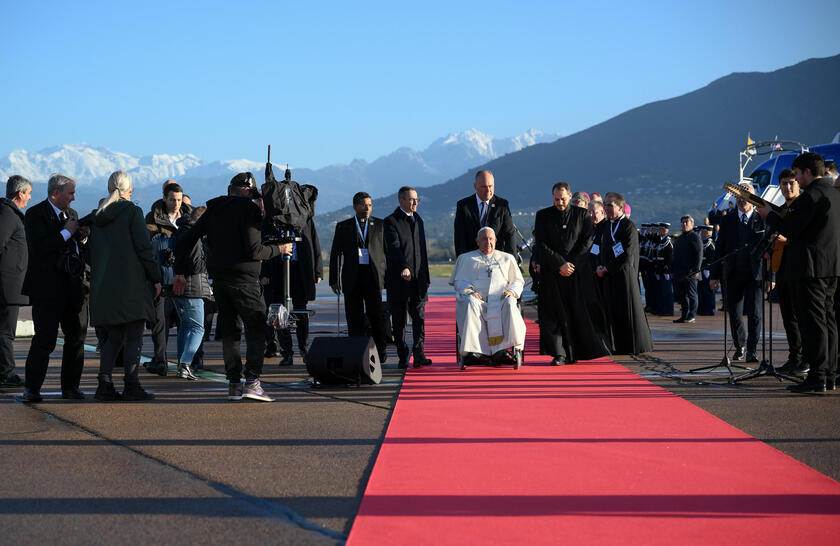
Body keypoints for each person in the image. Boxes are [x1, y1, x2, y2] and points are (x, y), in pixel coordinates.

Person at [175, 172, 292, 401]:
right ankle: (253, 382)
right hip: (246, 282)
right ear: (248, 192)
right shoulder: (249, 211)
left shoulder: (213, 210)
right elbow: (255, 251)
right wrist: (280, 249)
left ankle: (234, 384)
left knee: (231, 334)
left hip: (220, 282)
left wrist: (180, 271)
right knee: (257, 331)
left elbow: (186, 241)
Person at [758, 152, 840, 393]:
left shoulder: (811, 197)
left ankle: (816, 376)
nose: (795, 179)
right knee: (829, 321)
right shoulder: (835, 194)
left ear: (806, 172)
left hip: (811, 268)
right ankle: (830, 374)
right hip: (832, 267)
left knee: (814, 324)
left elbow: (792, 229)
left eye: (796, 174)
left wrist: (769, 215)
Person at [89, 171, 161, 401]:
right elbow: (144, 248)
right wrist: (155, 276)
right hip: (131, 284)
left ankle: (105, 384)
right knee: (134, 336)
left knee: (114, 337)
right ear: (129, 189)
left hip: (105, 285)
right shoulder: (132, 212)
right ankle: (131, 384)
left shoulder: (97, 215)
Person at [19, 175, 89, 402]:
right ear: (55, 193)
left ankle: (71, 387)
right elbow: (39, 249)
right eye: (70, 193)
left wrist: (82, 239)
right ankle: (32, 388)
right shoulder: (35, 214)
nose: (73, 198)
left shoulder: (73, 215)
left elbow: (76, 250)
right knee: (45, 339)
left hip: (73, 288)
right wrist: (66, 232)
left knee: (76, 338)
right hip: (47, 289)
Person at [534, 182, 610, 365]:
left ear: (569, 196)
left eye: (563, 199)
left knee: (576, 313)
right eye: (556, 199)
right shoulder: (543, 216)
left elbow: (586, 242)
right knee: (555, 314)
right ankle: (559, 353)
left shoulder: (582, 215)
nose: (560, 203)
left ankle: (576, 352)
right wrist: (560, 264)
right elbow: (541, 244)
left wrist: (571, 264)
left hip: (576, 273)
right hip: (553, 272)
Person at [450, 227, 525, 365]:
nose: (488, 242)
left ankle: (502, 351)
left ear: (495, 240)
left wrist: (512, 292)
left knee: (510, 303)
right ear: (477, 241)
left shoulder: (507, 258)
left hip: (501, 299)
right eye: (484, 239)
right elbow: (458, 281)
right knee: (470, 302)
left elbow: (517, 281)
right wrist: (470, 291)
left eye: (491, 239)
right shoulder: (466, 258)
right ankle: (475, 352)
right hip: (479, 300)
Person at [710, 182, 766, 363]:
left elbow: (771, 250)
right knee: (734, 312)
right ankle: (740, 345)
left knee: (755, 313)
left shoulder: (762, 220)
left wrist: (771, 277)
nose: (743, 199)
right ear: (735, 197)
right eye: (740, 195)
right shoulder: (727, 220)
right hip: (733, 272)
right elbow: (720, 248)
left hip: (755, 273)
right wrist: (715, 275)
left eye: (747, 195)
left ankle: (752, 349)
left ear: (754, 198)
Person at [329, 192, 387, 362]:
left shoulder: (380, 225)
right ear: (355, 206)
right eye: (363, 205)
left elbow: (387, 253)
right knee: (354, 317)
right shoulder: (343, 226)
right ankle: (356, 351)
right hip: (352, 277)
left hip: (373, 277)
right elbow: (335, 254)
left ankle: (380, 351)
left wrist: (388, 278)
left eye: (370, 205)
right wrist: (334, 279)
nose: (367, 208)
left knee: (376, 315)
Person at [595, 192, 653, 355]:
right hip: (608, 276)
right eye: (605, 204)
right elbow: (600, 249)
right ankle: (616, 344)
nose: (605, 208)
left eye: (609, 205)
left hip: (624, 275)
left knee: (627, 310)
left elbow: (627, 254)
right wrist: (600, 265)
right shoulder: (607, 226)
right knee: (612, 311)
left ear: (620, 207)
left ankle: (632, 345)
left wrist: (608, 268)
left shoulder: (628, 227)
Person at [145, 181, 191, 375]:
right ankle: (160, 360)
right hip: (162, 277)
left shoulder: (189, 217)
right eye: (172, 199)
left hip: (184, 276)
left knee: (186, 321)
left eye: (179, 199)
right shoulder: (153, 217)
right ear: (165, 198)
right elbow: (149, 241)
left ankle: (187, 361)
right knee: (159, 323)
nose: (176, 203)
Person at [261, 215, 322, 365]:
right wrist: (264, 272)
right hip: (278, 270)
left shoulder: (305, 220)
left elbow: (314, 243)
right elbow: (263, 245)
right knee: (279, 311)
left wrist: (318, 271)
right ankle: (286, 352)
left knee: (301, 310)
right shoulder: (270, 220)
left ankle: (304, 349)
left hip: (299, 270)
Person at [385, 186, 432, 368]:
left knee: (419, 318)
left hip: (418, 280)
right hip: (399, 280)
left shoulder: (418, 220)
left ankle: (419, 354)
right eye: (412, 199)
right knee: (399, 320)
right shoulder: (391, 221)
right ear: (401, 200)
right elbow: (394, 248)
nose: (415, 202)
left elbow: (423, 251)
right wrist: (404, 267)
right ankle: (402, 355)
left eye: (417, 199)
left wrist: (426, 276)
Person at [767, 170, 806, 376]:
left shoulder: (803, 208)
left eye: (791, 183)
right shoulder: (781, 209)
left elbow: (806, 238)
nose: (788, 188)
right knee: (788, 317)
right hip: (781, 268)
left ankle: (806, 360)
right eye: (784, 184)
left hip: (801, 270)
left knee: (802, 317)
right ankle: (795, 357)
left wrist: (787, 240)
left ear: (799, 184)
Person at [171, 206, 212, 380]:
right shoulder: (194, 237)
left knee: (186, 327)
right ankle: (186, 363)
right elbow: (195, 264)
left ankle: (182, 362)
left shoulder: (179, 231)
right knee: (198, 328)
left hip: (178, 287)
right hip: (193, 286)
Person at [0, 176, 32, 387]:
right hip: (6, 285)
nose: (29, 197)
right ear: (20, 193)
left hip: (9, 284)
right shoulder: (8, 215)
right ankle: (5, 373)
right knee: (5, 332)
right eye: (28, 193)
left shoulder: (9, 214)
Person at [453, 170, 517, 258]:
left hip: (496, 260)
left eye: (490, 186)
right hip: (472, 260)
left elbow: (510, 235)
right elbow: (460, 237)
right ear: (475, 186)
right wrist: (462, 261)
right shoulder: (464, 206)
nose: (488, 190)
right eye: (484, 187)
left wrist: (511, 261)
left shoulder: (502, 205)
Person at [671, 215, 702, 323]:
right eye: (683, 222)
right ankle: (684, 315)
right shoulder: (680, 238)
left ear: (692, 224)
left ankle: (692, 315)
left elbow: (698, 253)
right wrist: (672, 270)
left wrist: (696, 269)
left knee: (692, 295)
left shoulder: (695, 237)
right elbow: (674, 255)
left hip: (690, 272)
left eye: (686, 222)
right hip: (679, 272)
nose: (684, 224)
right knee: (682, 296)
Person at [695, 224, 716, 316]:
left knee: (708, 290)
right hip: (702, 269)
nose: (701, 233)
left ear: (707, 232)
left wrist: (708, 268)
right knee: (702, 290)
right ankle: (703, 308)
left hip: (707, 270)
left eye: (702, 232)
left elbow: (712, 257)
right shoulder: (704, 242)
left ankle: (709, 309)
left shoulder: (709, 243)